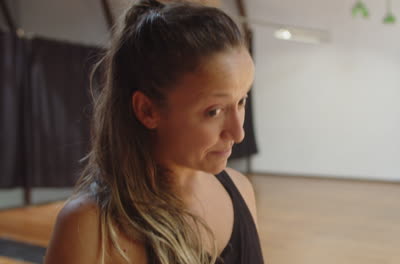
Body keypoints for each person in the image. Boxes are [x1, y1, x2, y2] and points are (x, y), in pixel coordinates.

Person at [43, 1, 263, 263]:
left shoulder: (241, 190)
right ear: (147, 110)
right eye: (213, 111)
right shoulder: (91, 228)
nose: (238, 133)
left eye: (241, 101)